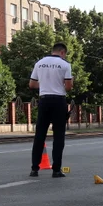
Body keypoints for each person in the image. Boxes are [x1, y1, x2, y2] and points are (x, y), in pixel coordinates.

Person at [29, 42, 74, 178]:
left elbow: (31, 84)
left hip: (44, 100)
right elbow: (68, 87)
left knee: (40, 135)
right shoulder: (65, 65)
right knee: (58, 136)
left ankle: (34, 169)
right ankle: (56, 170)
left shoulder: (39, 63)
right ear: (62, 52)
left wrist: (45, 84)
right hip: (59, 101)